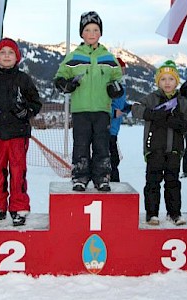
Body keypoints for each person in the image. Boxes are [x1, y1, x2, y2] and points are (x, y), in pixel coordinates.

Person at [54, 11, 124, 192]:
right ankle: (80, 177)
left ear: (100, 33)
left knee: (102, 145)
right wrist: (65, 84)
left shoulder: (108, 57)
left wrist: (116, 89)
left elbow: (118, 79)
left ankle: (102, 177)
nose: (92, 33)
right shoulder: (74, 56)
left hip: (102, 110)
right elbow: (60, 77)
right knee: (81, 145)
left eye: (95, 29)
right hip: (80, 110)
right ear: (81, 33)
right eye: (87, 30)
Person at [0, 38, 42, 226]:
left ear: (17, 57)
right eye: (3, 52)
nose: (6, 56)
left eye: (11, 53)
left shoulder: (24, 79)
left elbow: (36, 103)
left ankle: (19, 207)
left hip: (18, 134)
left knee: (17, 170)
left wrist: (26, 112)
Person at [132, 60, 187, 226]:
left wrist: (184, 124)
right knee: (152, 182)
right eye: (163, 79)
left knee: (173, 183)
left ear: (176, 81)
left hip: (174, 151)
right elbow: (135, 108)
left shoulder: (182, 102)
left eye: (171, 79)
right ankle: (152, 213)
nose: (167, 82)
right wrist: (150, 114)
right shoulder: (152, 98)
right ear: (158, 82)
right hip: (154, 149)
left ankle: (174, 213)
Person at [109, 57, 131, 182]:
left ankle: (113, 181)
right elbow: (102, 103)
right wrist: (113, 113)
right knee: (112, 158)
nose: (123, 71)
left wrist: (128, 107)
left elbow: (120, 103)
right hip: (107, 127)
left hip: (114, 128)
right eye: (120, 68)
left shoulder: (121, 84)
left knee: (114, 158)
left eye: (123, 68)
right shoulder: (111, 84)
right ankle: (112, 182)